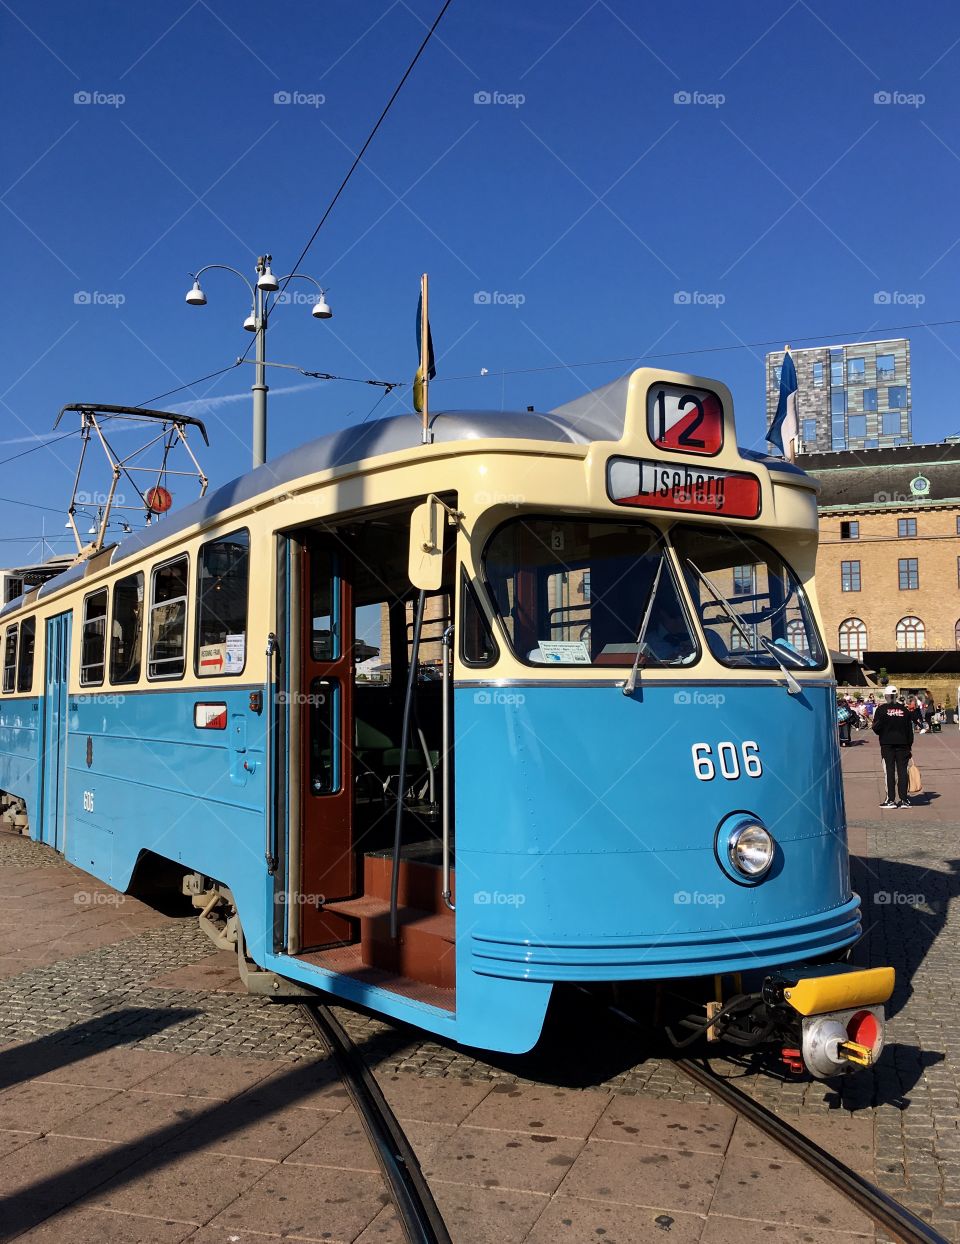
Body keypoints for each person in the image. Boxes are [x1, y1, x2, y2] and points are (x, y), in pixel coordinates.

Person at [872, 686, 913, 808]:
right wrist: (909, 746)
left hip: (887, 743)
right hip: (903, 743)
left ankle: (890, 799)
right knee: (902, 771)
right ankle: (904, 800)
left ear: (886, 696)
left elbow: (876, 728)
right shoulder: (904, 710)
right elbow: (909, 731)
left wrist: (884, 732)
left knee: (889, 771)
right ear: (896, 696)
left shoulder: (881, 710)